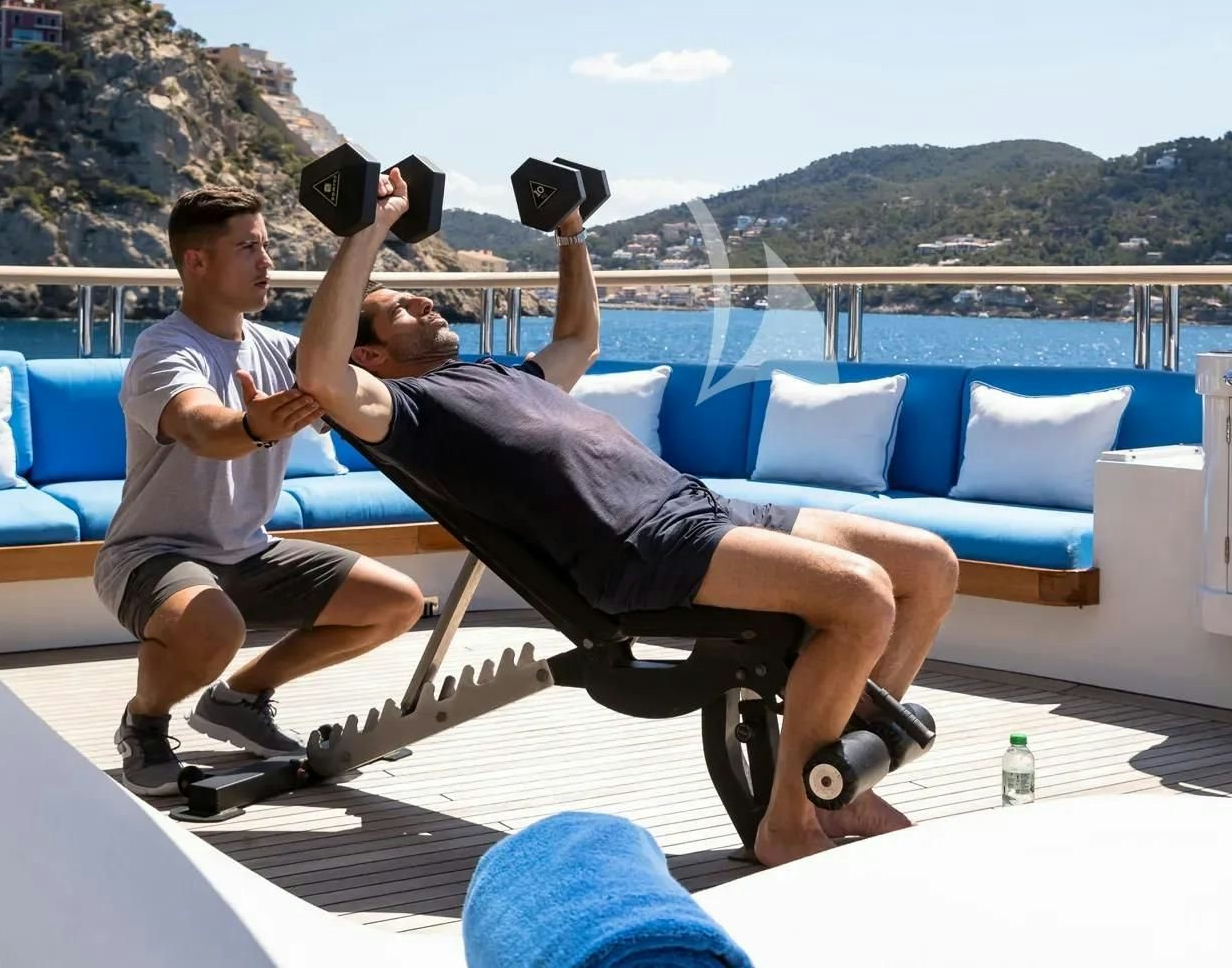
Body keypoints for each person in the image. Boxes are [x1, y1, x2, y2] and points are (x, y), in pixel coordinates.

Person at [293, 169, 960, 866]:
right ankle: (789, 822)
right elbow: (320, 372)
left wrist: (571, 231)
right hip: (642, 546)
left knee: (928, 566)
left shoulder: (499, 375)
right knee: (861, 595)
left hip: (700, 507)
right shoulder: (407, 413)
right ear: (369, 355)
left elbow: (579, 338)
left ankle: (837, 780)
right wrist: (369, 228)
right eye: (400, 308)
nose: (424, 301)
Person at [95, 185, 427, 796]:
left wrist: (376, 233)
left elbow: (366, 386)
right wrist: (251, 426)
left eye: (266, 245)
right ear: (197, 261)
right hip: (152, 556)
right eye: (248, 247)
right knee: (212, 628)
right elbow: (201, 428)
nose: (267, 261)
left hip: (250, 552)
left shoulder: (280, 350)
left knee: (397, 603)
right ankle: (144, 724)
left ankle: (239, 701)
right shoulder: (164, 350)